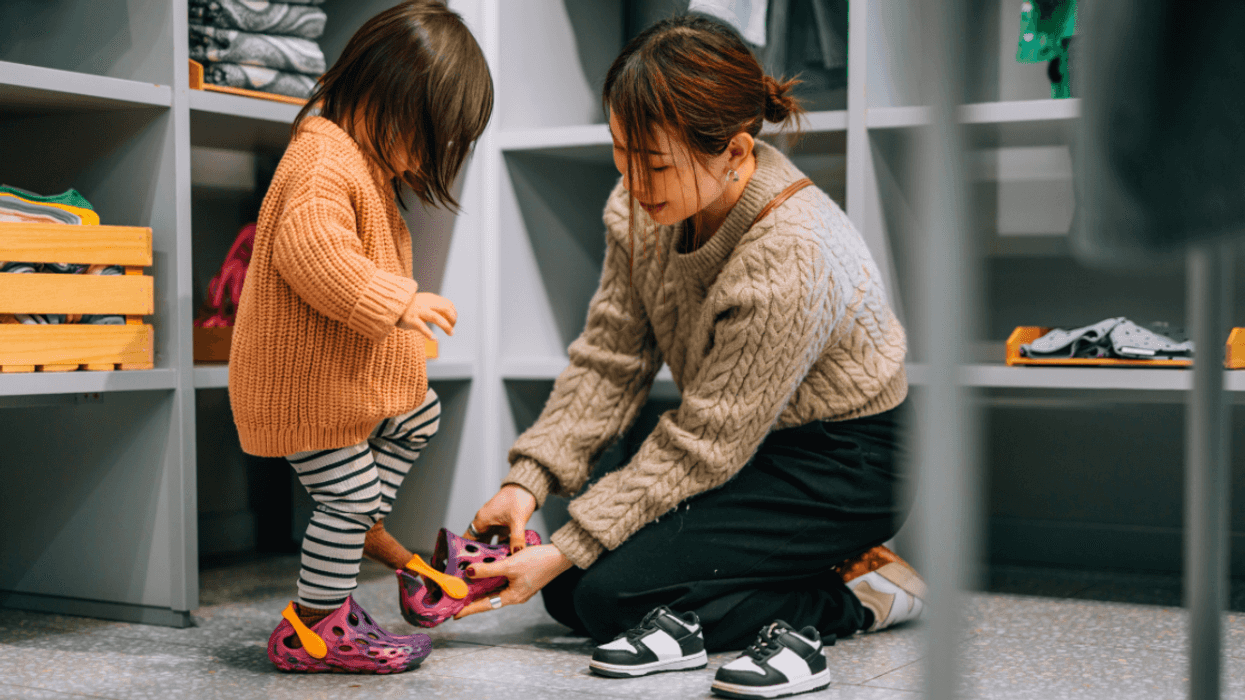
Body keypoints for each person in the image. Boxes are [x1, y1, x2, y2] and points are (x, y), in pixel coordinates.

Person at [459, 15, 923, 695]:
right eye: (621, 151)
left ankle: (859, 592)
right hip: (743, 442)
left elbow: (706, 440)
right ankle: (780, 568)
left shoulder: (790, 250)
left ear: (735, 151)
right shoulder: (639, 206)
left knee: (601, 596)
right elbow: (609, 357)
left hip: (845, 461)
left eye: (654, 163)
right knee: (569, 589)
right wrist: (525, 481)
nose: (634, 180)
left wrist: (563, 548)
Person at [227, 0, 491, 674]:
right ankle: (314, 628)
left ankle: (360, 521)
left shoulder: (361, 164)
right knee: (344, 500)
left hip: (336, 384)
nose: (423, 161)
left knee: (418, 415)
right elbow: (314, 253)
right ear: (382, 96)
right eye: (425, 140)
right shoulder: (322, 161)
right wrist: (398, 299)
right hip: (300, 392)